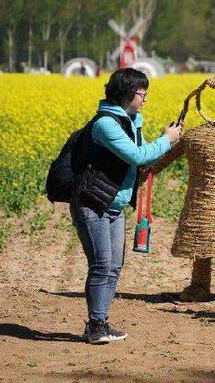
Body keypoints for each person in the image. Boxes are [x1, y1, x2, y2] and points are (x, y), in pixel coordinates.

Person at [70, 68, 182, 344]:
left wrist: (165, 141)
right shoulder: (105, 124)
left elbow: (143, 160)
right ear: (127, 93)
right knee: (101, 264)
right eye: (142, 93)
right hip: (93, 203)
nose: (145, 99)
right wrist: (166, 140)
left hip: (114, 204)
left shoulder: (132, 121)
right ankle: (95, 326)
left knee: (114, 266)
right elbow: (136, 154)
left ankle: (101, 322)